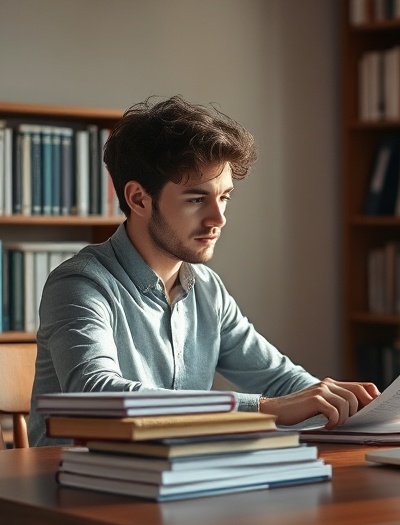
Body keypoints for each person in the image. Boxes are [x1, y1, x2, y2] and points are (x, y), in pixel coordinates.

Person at [27, 95, 379, 447]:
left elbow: (280, 380)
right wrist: (263, 408)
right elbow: (96, 395)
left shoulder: (206, 289)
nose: (218, 219)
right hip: (78, 486)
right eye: (197, 199)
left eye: (224, 197)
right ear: (138, 199)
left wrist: (356, 409)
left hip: (176, 480)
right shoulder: (79, 284)